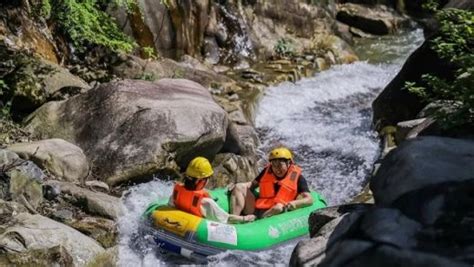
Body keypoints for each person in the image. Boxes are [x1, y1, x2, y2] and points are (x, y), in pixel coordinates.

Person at [230, 147, 313, 218]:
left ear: (289, 163)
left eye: (280, 165)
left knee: (278, 208)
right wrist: (238, 186)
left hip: (276, 212)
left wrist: (292, 204)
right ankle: (234, 219)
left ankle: (259, 222)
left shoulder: (297, 178)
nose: (277, 169)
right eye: (274, 165)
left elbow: (309, 199)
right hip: (257, 209)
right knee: (239, 187)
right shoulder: (267, 171)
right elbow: (252, 184)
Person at [170, 156, 256, 224]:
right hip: (200, 228)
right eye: (208, 178)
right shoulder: (205, 203)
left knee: (238, 187)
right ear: (201, 180)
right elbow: (227, 219)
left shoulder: (176, 193)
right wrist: (245, 218)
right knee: (241, 189)